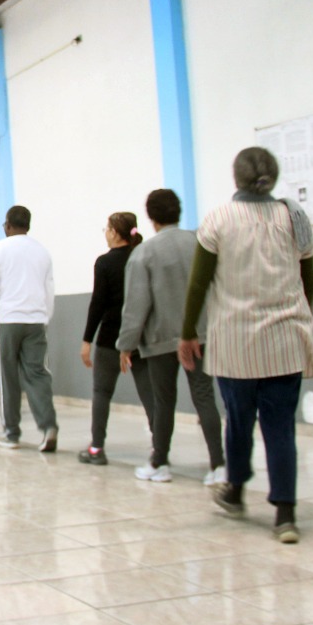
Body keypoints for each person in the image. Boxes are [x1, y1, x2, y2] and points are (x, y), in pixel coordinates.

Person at [180, 147, 313, 544]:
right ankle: (285, 515)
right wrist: (302, 318)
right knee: (281, 428)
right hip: (285, 341)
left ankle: (236, 490)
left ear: (236, 177)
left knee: (239, 422)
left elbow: (199, 283)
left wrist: (188, 332)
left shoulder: (219, 219)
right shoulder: (293, 217)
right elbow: (308, 278)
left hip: (235, 343)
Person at [116, 189, 224, 483]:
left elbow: (136, 305)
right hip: (201, 336)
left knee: (163, 402)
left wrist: (125, 345)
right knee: (205, 398)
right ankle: (219, 465)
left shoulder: (144, 253)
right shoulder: (199, 242)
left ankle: (159, 462)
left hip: (160, 341)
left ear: (151, 217)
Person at [0, 206, 58, 451]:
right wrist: (45, 318)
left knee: (8, 378)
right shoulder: (42, 251)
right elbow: (49, 289)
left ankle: (12, 433)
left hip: (7, 320)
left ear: (7, 225)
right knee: (38, 374)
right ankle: (48, 426)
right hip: (35, 320)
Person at [78, 214, 149, 465]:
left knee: (101, 392)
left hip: (111, 338)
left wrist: (87, 340)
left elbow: (98, 303)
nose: (105, 233)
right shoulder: (141, 257)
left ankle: (96, 448)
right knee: (150, 395)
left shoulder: (105, 262)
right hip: (141, 338)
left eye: (107, 229)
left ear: (116, 232)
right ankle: (159, 450)